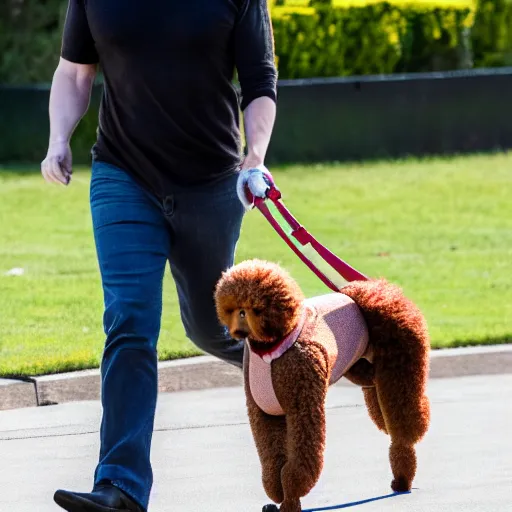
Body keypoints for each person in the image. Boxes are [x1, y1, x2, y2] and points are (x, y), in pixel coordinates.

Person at [40, 0, 277, 510]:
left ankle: (289, 371)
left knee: (213, 328)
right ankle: (120, 485)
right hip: (123, 175)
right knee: (130, 318)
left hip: (212, 183)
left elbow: (260, 83)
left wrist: (253, 160)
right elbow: (74, 71)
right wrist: (59, 138)